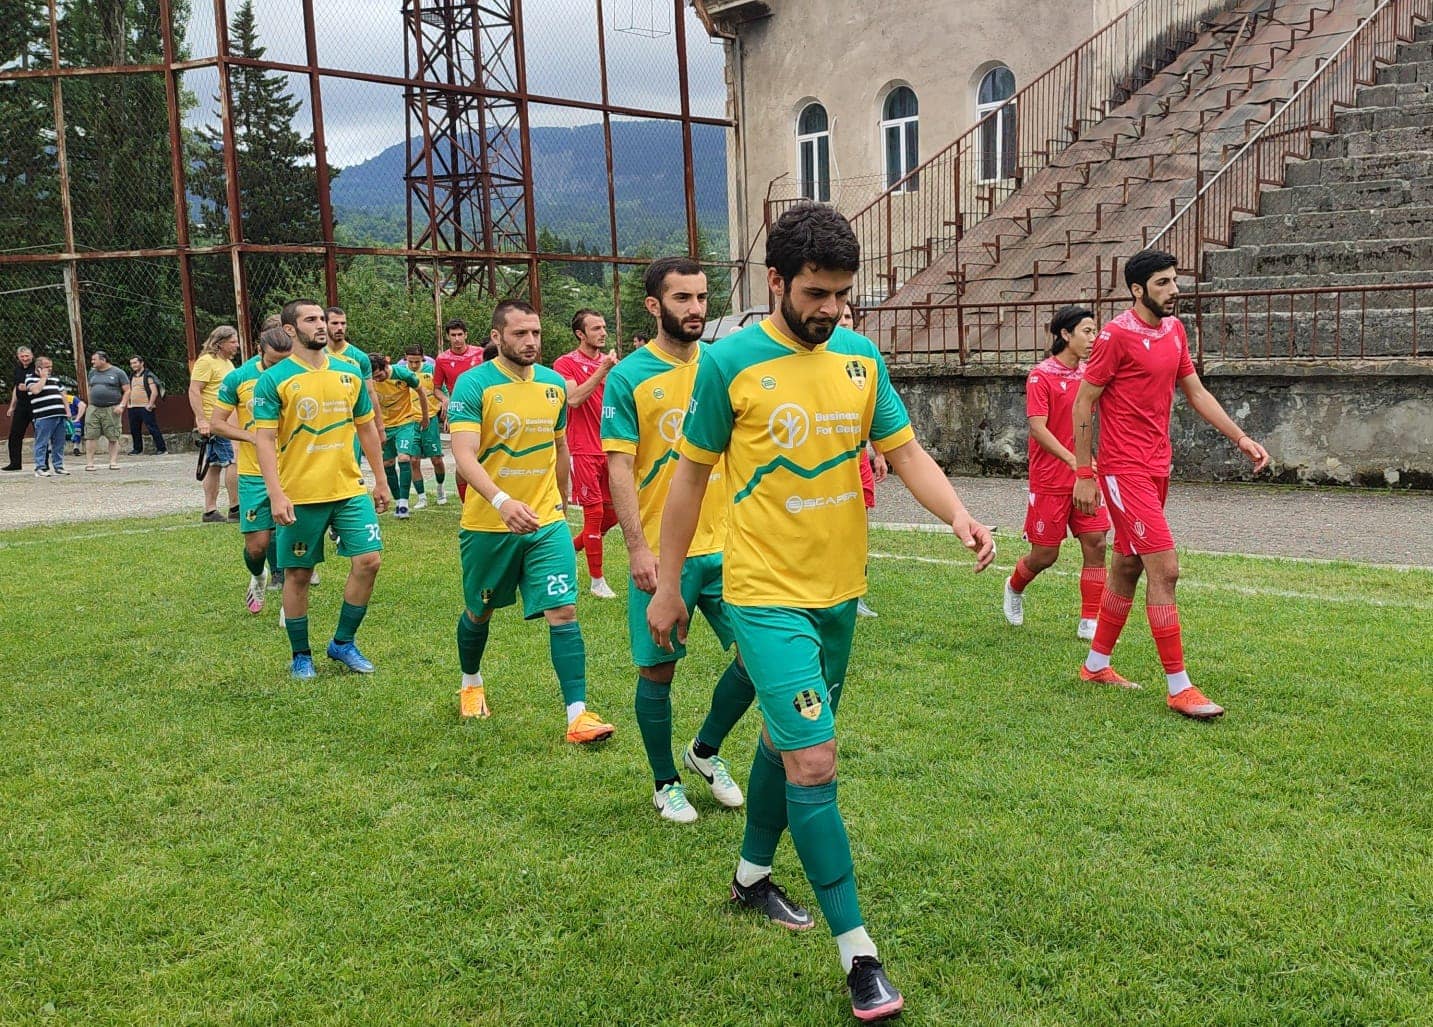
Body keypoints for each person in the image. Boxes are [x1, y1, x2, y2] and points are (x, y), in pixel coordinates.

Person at [647, 204, 994, 1023]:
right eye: (815, 293)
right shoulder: (728, 363)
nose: (831, 309)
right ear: (776, 281)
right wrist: (667, 583)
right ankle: (859, 953)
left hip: (839, 594)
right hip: (764, 594)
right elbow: (689, 478)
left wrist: (957, 513)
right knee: (813, 759)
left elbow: (903, 450)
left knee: (782, 741)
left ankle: (750, 877)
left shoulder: (860, 359)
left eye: (841, 294)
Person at [1071, 248, 1269, 719]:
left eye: (1174, 281)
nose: (1174, 290)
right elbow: (1084, 403)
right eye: (1163, 283)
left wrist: (1240, 438)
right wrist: (1084, 472)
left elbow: (1196, 392)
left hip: (1158, 466)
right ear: (1137, 290)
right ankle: (1179, 686)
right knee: (1166, 568)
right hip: (1124, 470)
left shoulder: (1175, 330)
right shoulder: (1115, 336)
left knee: (1127, 567)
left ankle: (1095, 666)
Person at [602, 256, 754, 823]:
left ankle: (704, 751)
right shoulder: (629, 376)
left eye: (702, 297)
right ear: (654, 305)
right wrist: (638, 549)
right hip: (666, 554)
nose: (695, 309)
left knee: (758, 658)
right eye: (682, 298)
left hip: (730, 546)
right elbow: (619, 468)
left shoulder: (721, 365)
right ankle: (665, 782)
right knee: (658, 671)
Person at [447, 299, 615, 744]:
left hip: (545, 521)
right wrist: (502, 501)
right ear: (497, 336)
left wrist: (560, 499)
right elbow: (463, 454)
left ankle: (578, 715)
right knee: (479, 610)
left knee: (563, 609)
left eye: (536, 333)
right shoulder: (474, 384)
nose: (530, 341)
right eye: (520, 333)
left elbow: (559, 446)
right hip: (489, 523)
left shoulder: (553, 384)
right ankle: (471, 682)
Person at [253, 299, 391, 679]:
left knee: (369, 560)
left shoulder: (349, 372)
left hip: (348, 488)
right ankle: (301, 655)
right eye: (311, 319)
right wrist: (276, 493)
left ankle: (343, 643)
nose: (321, 325)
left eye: (322, 319)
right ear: (290, 330)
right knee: (298, 574)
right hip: (300, 494)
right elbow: (264, 439)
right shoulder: (275, 379)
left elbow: (366, 428)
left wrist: (380, 479)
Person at [1004, 305, 1110, 639]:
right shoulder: (1041, 375)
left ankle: (1089, 621)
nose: (1093, 338)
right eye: (1087, 331)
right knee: (1045, 554)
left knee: (1096, 543)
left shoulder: (1091, 374)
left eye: (1095, 331)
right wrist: (1072, 460)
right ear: (1065, 334)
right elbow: (1038, 428)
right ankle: (1014, 586)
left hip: (1086, 476)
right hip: (1051, 478)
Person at [212, 326, 294, 615]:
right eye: (273, 363)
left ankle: (289, 607)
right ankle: (259, 575)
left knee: (290, 539)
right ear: (260, 352)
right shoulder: (239, 378)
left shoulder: (300, 374)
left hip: (292, 470)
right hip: (253, 473)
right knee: (257, 546)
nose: (279, 369)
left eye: (285, 362)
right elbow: (217, 423)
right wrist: (251, 437)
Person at [554, 309, 621, 599]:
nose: (603, 333)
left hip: (610, 447)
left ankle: (564, 553)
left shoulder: (611, 364)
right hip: (582, 448)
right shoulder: (566, 363)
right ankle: (597, 581)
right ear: (580, 334)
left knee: (614, 514)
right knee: (593, 513)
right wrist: (602, 371)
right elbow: (574, 399)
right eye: (596, 328)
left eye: (604, 327)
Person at [840, 304, 887, 619]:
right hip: (830, 463)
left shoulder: (862, 359)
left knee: (859, 526)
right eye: (840, 316)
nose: (843, 321)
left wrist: (879, 452)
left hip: (859, 460)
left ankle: (855, 592)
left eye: (848, 316)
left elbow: (873, 414)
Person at [325, 306, 384, 476]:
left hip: (351, 423)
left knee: (351, 469)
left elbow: (370, 392)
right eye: (334, 323)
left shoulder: (359, 358)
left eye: (343, 323)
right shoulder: (316, 354)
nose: (340, 328)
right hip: (324, 419)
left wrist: (379, 426)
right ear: (324, 324)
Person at [189, 326, 241, 521]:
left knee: (214, 464)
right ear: (220, 343)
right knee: (233, 461)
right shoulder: (206, 362)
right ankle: (235, 507)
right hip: (217, 421)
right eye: (233, 341)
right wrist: (201, 419)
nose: (237, 345)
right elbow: (194, 390)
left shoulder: (227, 363)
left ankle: (210, 510)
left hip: (226, 419)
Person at [370, 352, 429, 519]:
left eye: (379, 375)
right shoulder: (368, 380)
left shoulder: (403, 374)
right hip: (384, 426)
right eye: (374, 377)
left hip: (405, 422)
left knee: (404, 458)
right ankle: (397, 501)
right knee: (387, 463)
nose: (377, 379)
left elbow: (421, 392)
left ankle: (403, 504)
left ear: (385, 367)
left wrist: (425, 417)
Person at [432, 318, 485, 502]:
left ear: (466, 335)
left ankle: (487, 499)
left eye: (460, 334)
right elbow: (436, 389)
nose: (457, 339)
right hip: (460, 411)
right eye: (453, 335)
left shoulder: (480, 353)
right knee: (463, 460)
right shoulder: (442, 359)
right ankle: (465, 504)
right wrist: (445, 400)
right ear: (448, 337)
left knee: (486, 456)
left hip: (483, 408)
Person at [404, 344, 449, 507]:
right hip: (410, 421)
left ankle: (440, 488)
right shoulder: (401, 372)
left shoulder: (431, 370)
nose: (413, 365)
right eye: (410, 361)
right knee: (413, 460)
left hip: (430, 419)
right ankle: (421, 497)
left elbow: (442, 392)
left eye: (417, 361)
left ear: (422, 359)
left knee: (436, 459)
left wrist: (446, 408)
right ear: (405, 358)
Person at [24, 356, 71, 476]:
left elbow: (63, 395)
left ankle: (58, 466)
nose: (50, 369)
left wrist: (67, 410)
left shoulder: (55, 379)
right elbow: (35, 390)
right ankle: (40, 467)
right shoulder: (30, 379)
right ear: (38, 368)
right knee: (42, 442)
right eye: (46, 367)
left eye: (51, 366)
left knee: (59, 442)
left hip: (59, 414)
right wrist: (43, 378)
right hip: (43, 415)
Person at [85, 350, 130, 472]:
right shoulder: (92, 372)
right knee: (90, 435)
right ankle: (90, 463)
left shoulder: (118, 372)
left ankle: (113, 462)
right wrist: (89, 404)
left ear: (103, 360)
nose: (92, 362)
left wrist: (122, 405)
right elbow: (90, 387)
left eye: (94, 359)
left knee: (113, 436)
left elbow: (127, 390)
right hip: (94, 408)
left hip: (111, 408)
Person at [126, 355, 168, 455]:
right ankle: (137, 449)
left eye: (135, 363)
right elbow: (128, 390)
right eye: (131, 363)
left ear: (142, 363)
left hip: (145, 407)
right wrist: (128, 404)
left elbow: (154, 392)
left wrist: (150, 404)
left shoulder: (148, 376)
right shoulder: (131, 376)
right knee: (134, 429)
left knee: (152, 428)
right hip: (133, 407)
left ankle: (162, 449)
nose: (133, 365)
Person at [5, 345, 36, 471]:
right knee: (15, 434)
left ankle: (42, 463)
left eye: (27, 356)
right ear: (18, 357)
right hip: (21, 406)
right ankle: (15, 463)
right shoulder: (17, 370)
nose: (25, 358)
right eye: (22, 356)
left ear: (32, 356)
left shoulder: (36, 368)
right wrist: (12, 406)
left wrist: (28, 387)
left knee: (40, 434)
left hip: (35, 405)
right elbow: (16, 388)